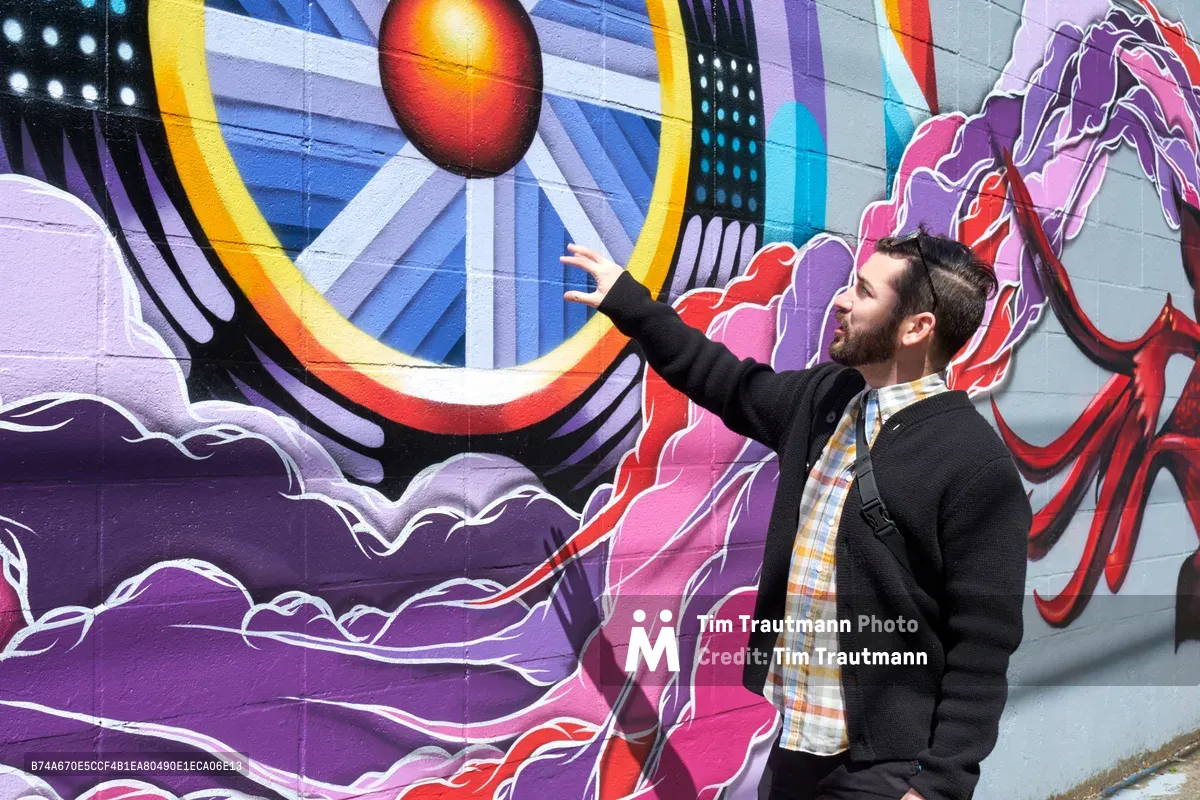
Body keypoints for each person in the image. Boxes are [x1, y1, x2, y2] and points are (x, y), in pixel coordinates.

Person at [561, 231, 1032, 800]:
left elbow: (982, 646)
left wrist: (939, 786)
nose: (841, 300)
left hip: (888, 771)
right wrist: (628, 303)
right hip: (797, 749)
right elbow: (725, 381)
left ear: (916, 328)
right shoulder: (825, 400)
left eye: (863, 292)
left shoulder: (973, 463)